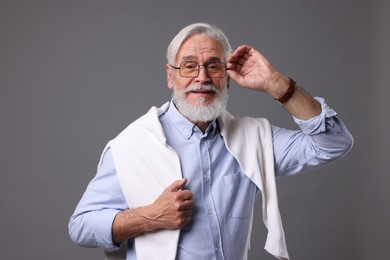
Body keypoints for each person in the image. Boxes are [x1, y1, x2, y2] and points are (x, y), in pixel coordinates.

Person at [69, 22, 353, 260]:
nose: (202, 78)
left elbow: (333, 143)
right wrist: (150, 216)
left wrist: (277, 84)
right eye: (189, 67)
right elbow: (81, 226)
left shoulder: (255, 140)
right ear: (171, 76)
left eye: (214, 67)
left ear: (227, 78)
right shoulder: (131, 145)